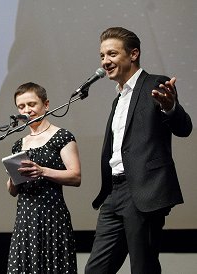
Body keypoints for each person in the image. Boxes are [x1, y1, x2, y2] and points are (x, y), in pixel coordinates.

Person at [85, 27, 193, 274]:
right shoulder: (118, 99)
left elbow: (184, 127)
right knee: (95, 269)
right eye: (102, 56)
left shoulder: (155, 84)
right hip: (114, 193)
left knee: (142, 268)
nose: (105, 61)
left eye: (111, 54)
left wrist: (171, 107)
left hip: (143, 190)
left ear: (133, 54)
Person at [5, 82, 81, 273]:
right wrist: (13, 176)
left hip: (52, 217)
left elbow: (75, 176)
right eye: (21, 107)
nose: (27, 110)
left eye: (32, 104)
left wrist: (42, 171)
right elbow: (13, 191)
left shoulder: (62, 136)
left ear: (46, 104)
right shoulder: (18, 144)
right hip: (25, 220)